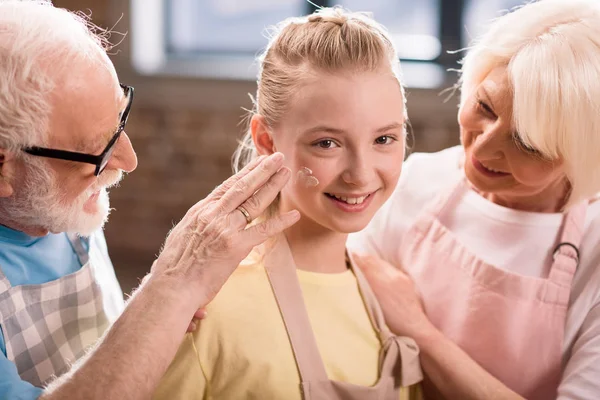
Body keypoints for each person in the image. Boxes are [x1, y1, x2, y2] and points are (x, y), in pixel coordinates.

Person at [0, 1, 300, 399]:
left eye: (119, 120)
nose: (128, 160)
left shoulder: (56, 209)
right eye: (99, 150)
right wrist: (170, 289)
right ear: (4, 168)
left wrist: (150, 320)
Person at [153, 7, 423, 400]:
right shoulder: (207, 309)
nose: (361, 175)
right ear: (266, 141)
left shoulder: (392, 296)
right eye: (327, 143)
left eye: (384, 139)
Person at [347, 0, 600, 399]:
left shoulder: (595, 248)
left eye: (526, 143)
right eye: (484, 106)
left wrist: (418, 331)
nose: (483, 148)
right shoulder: (418, 180)